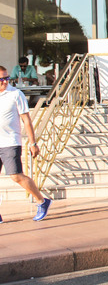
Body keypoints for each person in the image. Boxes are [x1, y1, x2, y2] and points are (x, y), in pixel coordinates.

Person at [0, 65, 52, 223]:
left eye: (7, 78)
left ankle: (42, 201)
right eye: (1, 79)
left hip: (10, 142)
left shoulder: (16, 94)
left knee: (16, 176)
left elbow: (26, 120)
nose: (4, 82)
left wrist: (32, 142)